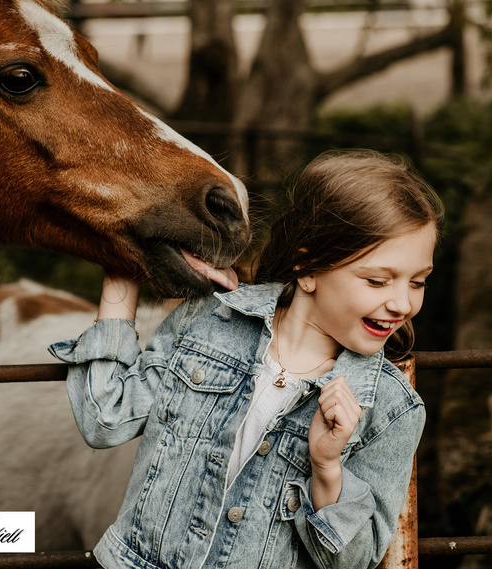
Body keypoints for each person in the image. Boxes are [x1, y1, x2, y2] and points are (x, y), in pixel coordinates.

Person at [49, 149, 444, 569]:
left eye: (418, 282)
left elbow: (354, 560)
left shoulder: (392, 410)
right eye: (378, 280)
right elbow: (105, 417)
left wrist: (327, 467)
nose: (402, 303)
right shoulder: (209, 319)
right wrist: (122, 263)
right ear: (308, 268)